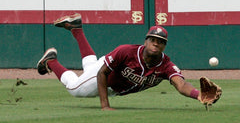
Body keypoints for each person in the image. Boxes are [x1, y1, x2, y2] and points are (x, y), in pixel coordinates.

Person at [37, 13, 201, 111]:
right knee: (74, 88)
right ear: (145, 41)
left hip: (114, 85)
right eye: (152, 40)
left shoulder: (166, 65)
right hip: (103, 75)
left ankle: (77, 29)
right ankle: (51, 61)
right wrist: (105, 105)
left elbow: (181, 85)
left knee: (88, 66)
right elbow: (102, 73)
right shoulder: (127, 51)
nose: (155, 43)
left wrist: (199, 95)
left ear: (165, 46)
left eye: (160, 41)